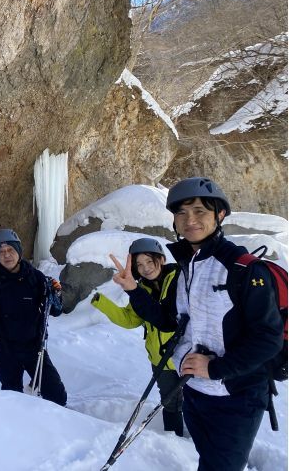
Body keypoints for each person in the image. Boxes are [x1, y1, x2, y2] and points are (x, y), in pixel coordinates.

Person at [123, 177, 283, 471]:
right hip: (195, 391)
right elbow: (169, 321)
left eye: (199, 211)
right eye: (181, 213)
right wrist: (133, 290)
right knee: (208, 460)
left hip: (237, 395)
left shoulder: (244, 269)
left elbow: (267, 339)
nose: (190, 220)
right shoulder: (185, 269)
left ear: (219, 215)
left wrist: (215, 368)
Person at [0, 229, 67, 405]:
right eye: (1, 252)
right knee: (12, 397)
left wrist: (56, 293)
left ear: (18, 251)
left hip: (34, 346)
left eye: (10, 250)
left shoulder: (36, 278)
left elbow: (55, 310)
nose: (6, 255)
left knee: (56, 395)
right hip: (5, 348)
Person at [93, 237, 184, 436]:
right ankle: (174, 440)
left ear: (160, 259)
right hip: (160, 359)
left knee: (197, 402)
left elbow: (168, 319)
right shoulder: (141, 289)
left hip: (186, 356)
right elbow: (130, 320)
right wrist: (100, 301)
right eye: (139, 265)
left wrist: (134, 290)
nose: (145, 268)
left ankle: (199, 446)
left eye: (149, 261)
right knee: (170, 402)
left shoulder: (180, 278)